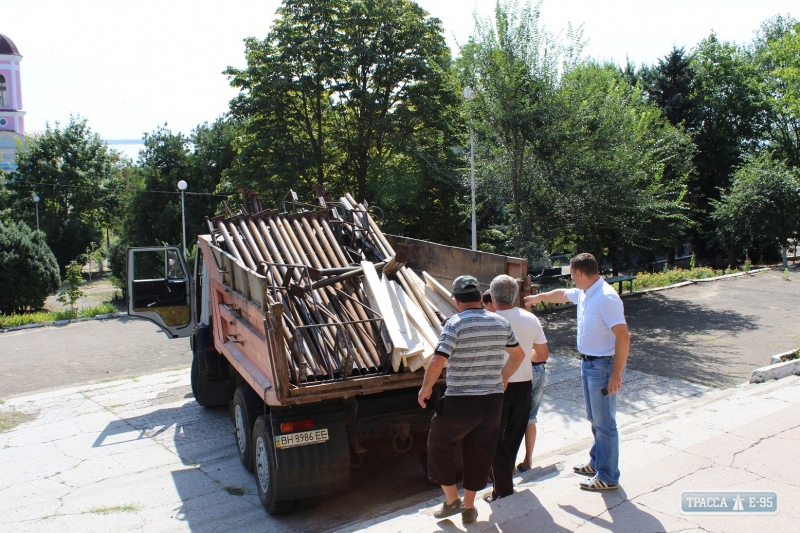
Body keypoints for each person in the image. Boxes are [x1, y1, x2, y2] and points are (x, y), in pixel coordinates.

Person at [418, 275, 526, 525]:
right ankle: (468, 506)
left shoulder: (455, 323)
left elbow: (437, 360)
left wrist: (425, 388)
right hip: (492, 402)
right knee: (480, 451)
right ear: (480, 296)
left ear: (456, 300)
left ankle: (451, 499)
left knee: (438, 443)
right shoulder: (500, 322)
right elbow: (519, 355)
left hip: (461, 401)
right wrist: (503, 378)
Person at [524, 253, 630, 491]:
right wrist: (538, 297)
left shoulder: (606, 298)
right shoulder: (586, 292)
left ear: (579, 273)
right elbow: (562, 294)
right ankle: (597, 462)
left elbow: (623, 336)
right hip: (589, 365)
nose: (571, 280)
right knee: (595, 419)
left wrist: (616, 374)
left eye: (572, 275)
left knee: (605, 424)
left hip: (603, 368)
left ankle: (609, 476)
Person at [484, 275, 549, 502]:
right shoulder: (530, 319)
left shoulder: (488, 320)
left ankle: (501, 489)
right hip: (524, 386)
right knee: (512, 437)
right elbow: (542, 355)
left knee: (494, 438)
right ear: (516, 296)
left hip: (497, 386)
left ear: (492, 297)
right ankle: (502, 487)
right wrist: (523, 360)